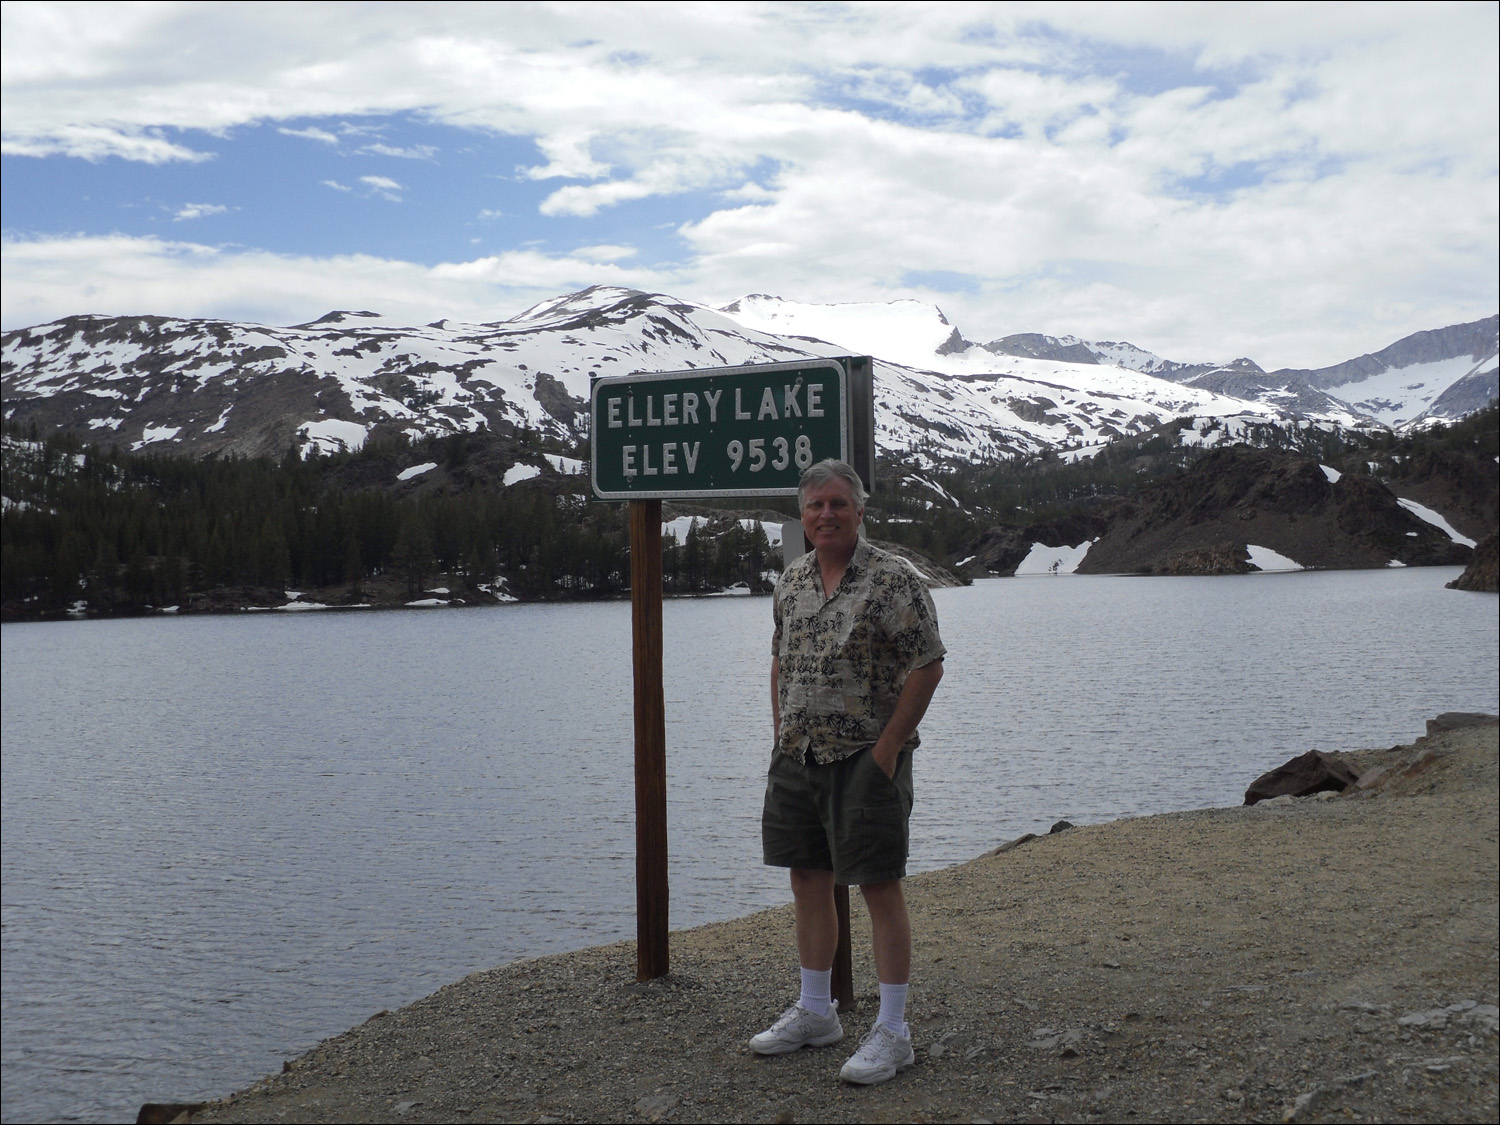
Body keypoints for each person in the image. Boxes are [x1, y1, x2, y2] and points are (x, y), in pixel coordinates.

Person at [750, 458, 945, 1085]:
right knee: (808, 877)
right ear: (802, 517)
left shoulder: (894, 581)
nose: (826, 515)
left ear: (859, 511)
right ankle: (816, 1011)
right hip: (798, 756)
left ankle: (894, 1031)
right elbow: (779, 659)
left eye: (838, 504)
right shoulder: (793, 581)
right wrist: (781, 733)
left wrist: (888, 749)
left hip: (866, 757)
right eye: (815, 506)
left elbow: (928, 665)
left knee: (878, 886)